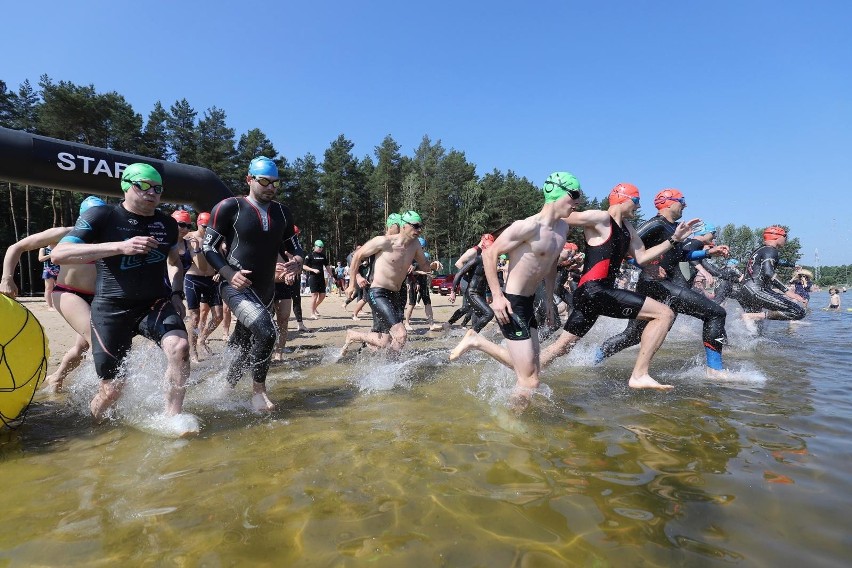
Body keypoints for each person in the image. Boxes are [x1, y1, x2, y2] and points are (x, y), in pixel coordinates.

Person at [50, 164, 192, 424]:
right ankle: (94, 426)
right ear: (126, 185)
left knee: (180, 347)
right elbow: (59, 254)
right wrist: (120, 247)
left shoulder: (167, 224)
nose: (152, 193)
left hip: (155, 302)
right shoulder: (102, 216)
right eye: (144, 186)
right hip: (111, 308)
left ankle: (173, 419)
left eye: (157, 189)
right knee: (112, 390)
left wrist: (176, 293)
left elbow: (174, 263)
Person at [449, 172, 582, 409]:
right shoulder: (528, 226)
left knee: (533, 370)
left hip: (530, 301)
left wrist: (550, 300)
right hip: (512, 302)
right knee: (529, 380)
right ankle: (512, 430)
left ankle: (477, 341)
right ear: (555, 193)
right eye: (574, 196)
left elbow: (551, 264)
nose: (577, 202)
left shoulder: (562, 229)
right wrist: (497, 297)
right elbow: (490, 254)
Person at [202, 156, 303, 411]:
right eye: (264, 181)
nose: (271, 187)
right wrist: (227, 273)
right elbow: (209, 247)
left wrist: (298, 261)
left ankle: (225, 388)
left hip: (266, 289)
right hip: (236, 286)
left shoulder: (282, 212)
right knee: (268, 332)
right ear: (249, 179)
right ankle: (258, 393)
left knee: (243, 343)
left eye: (275, 183)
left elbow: (294, 246)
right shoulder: (229, 207)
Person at [595, 192, 730, 376]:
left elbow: (681, 255)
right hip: (655, 285)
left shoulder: (674, 228)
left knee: (632, 336)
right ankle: (715, 371)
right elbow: (623, 247)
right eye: (682, 201)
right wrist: (646, 265)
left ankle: (592, 358)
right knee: (716, 312)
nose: (685, 205)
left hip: (658, 285)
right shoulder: (656, 224)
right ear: (667, 203)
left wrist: (708, 253)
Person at [1, 196, 107, 391]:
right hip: (68, 293)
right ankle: (102, 393)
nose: (97, 221)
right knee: (99, 341)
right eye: (92, 216)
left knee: (81, 348)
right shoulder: (64, 233)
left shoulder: (110, 238)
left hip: (98, 298)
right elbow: (16, 247)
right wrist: (7, 278)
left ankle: (56, 378)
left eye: (101, 216)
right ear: (81, 217)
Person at [340, 211, 430, 356]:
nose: (419, 230)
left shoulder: (415, 245)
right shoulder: (384, 241)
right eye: (415, 226)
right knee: (401, 335)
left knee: (384, 341)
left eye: (420, 227)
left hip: (396, 294)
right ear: (404, 226)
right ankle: (391, 371)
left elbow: (424, 266)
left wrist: (432, 266)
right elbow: (356, 256)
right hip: (378, 293)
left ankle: (353, 335)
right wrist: (352, 283)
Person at [738, 226, 806, 322]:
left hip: (746, 290)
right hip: (757, 290)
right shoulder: (771, 250)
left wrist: (792, 265)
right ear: (777, 236)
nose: (786, 240)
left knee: (755, 329)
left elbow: (777, 261)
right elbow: (769, 273)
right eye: (785, 237)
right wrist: (788, 292)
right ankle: (750, 316)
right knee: (798, 311)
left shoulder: (760, 250)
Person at [184, 211, 223, 363]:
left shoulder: (214, 238)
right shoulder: (190, 237)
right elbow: (197, 264)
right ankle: (192, 350)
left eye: (210, 227)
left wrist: (219, 271)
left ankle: (202, 339)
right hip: (193, 279)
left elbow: (220, 257)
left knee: (218, 316)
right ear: (198, 224)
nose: (207, 230)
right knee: (194, 317)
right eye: (204, 226)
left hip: (212, 280)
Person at [302, 240, 332, 319]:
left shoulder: (323, 256)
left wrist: (331, 275)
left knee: (322, 295)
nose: (321, 248)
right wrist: (313, 270)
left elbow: (327, 266)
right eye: (319, 247)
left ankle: (314, 307)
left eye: (322, 247)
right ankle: (312, 313)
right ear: (315, 246)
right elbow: (304, 266)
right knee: (314, 296)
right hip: (313, 277)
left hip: (321, 278)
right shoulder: (310, 255)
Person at [39, 245, 60, 310]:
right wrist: (50, 255)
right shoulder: (43, 249)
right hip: (48, 270)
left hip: (59, 270)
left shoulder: (59, 248)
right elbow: (40, 259)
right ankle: (50, 306)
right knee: (49, 288)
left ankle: (58, 305)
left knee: (59, 288)